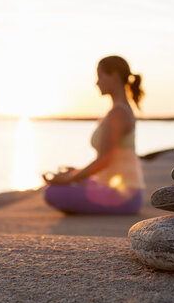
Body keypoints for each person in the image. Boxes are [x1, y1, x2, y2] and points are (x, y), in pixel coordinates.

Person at [42, 55, 146, 214]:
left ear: (115, 75)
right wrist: (76, 173)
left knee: (52, 192)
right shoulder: (119, 110)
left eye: (100, 76)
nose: (97, 82)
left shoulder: (119, 113)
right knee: (63, 183)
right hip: (117, 188)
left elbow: (104, 160)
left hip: (124, 196)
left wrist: (70, 179)